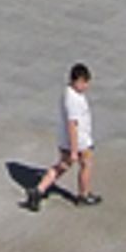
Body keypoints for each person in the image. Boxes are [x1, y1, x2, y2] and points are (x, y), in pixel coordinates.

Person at [25, 64, 98, 210]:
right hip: (79, 143)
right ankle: (83, 195)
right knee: (86, 165)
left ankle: (39, 190)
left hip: (68, 141)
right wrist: (74, 149)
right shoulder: (73, 100)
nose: (86, 86)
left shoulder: (69, 93)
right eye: (84, 82)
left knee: (62, 166)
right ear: (76, 81)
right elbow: (73, 125)